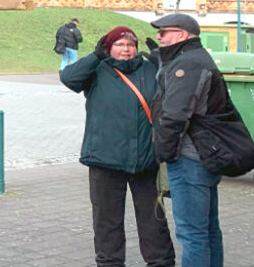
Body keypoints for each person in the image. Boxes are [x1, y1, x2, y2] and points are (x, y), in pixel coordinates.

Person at [60, 26, 175, 267]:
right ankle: (110, 262)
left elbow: (175, 89)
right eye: (119, 45)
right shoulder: (98, 70)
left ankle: (161, 262)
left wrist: (164, 62)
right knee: (106, 220)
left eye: (130, 45)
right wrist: (95, 56)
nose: (126, 49)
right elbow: (68, 78)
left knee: (154, 219)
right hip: (105, 158)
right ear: (108, 48)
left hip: (146, 159)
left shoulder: (149, 68)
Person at [151, 13, 232, 267]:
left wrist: (164, 152)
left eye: (163, 32)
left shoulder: (188, 64)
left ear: (182, 34)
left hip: (189, 158)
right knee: (207, 229)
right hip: (204, 155)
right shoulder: (195, 58)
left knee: (192, 233)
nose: (159, 37)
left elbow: (176, 114)